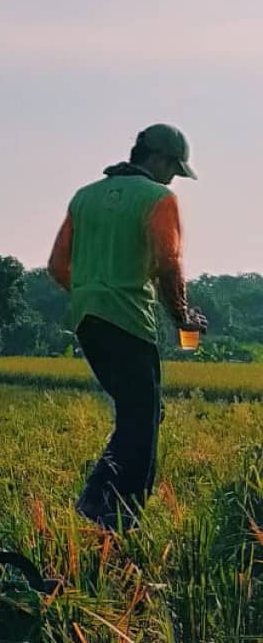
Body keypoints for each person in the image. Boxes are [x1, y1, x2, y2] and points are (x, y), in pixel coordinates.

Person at [48, 123, 208, 531]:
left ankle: (99, 505)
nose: (174, 177)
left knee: (139, 413)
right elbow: (167, 262)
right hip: (130, 318)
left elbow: (57, 266)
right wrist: (183, 316)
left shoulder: (84, 198)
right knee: (142, 419)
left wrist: (90, 292)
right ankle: (114, 515)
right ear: (158, 159)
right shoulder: (158, 197)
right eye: (174, 167)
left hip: (87, 319)